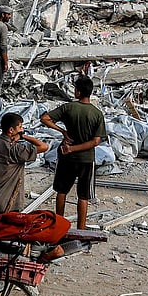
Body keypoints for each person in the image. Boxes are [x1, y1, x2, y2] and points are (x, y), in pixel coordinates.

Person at [40, 75, 106, 228]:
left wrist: (63, 132)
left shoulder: (68, 108)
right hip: (86, 159)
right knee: (83, 196)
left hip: (66, 157)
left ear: (78, 92)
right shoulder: (97, 114)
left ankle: (58, 225)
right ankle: (81, 228)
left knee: (61, 191)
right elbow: (96, 141)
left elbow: (44, 118)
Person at [0, 112, 50, 214]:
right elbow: (44, 146)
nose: (22, 130)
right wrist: (23, 136)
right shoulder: (15, 149)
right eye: (20, 127)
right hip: (8, 201)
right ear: (11, 130)